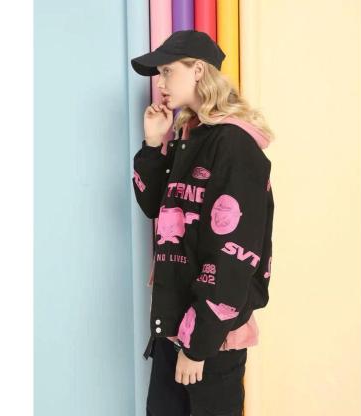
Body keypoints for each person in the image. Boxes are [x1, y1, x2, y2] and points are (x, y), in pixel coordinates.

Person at [131, 29, 275, 416]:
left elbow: (234, 254)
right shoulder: (188, 137)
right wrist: (153, 144)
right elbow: (153, 206)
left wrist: (197, 347)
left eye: (167, 71)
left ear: (198, 70)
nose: (160, 83)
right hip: (172, 328)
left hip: (210, 342)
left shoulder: (233, 145)